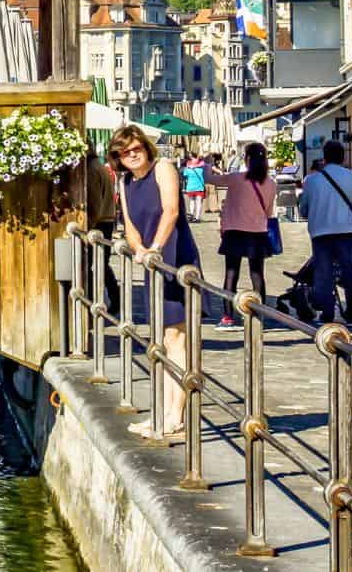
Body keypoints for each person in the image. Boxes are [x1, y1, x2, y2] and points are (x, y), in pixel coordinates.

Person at [110, 124, 198, 439]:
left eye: (136, 149)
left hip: (173, 256)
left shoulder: (163, 168)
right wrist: (139, 250)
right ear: (118, 157)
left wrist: (156, 249)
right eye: (125, 152)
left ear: (146, 147)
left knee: (176, 338)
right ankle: (161, 413)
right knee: (160, 339)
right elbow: (130, 224)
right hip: (151, 262)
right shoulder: (124, 181)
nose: (132, 155)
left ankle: (175, 415)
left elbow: (171, 211)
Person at [300, 140, 352, 326]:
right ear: (343, 157)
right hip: (347, 232)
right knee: (349, 272)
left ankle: (327, 312)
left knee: (323, 273)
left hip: (321, 233)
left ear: (324, 157)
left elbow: (304, 209)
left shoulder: (312, 180)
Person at [205, 143, 277, 331]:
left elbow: (210, 178)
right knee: (257, 275)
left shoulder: (236, 178)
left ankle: (228, 316)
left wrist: (207, 162)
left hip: (235, 231)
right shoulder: (270, 183)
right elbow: (269, 213)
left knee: (231, 274)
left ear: (247, 159)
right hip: (258, 232)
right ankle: (260, 313)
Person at [180, 153, 207, 221]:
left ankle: (191, 215)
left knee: (192, 201)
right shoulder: (202, 169)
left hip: (190, 187)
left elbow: (184, 176)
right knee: (199, 202)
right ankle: (197, 217)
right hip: (200, 187)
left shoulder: (187, 169)